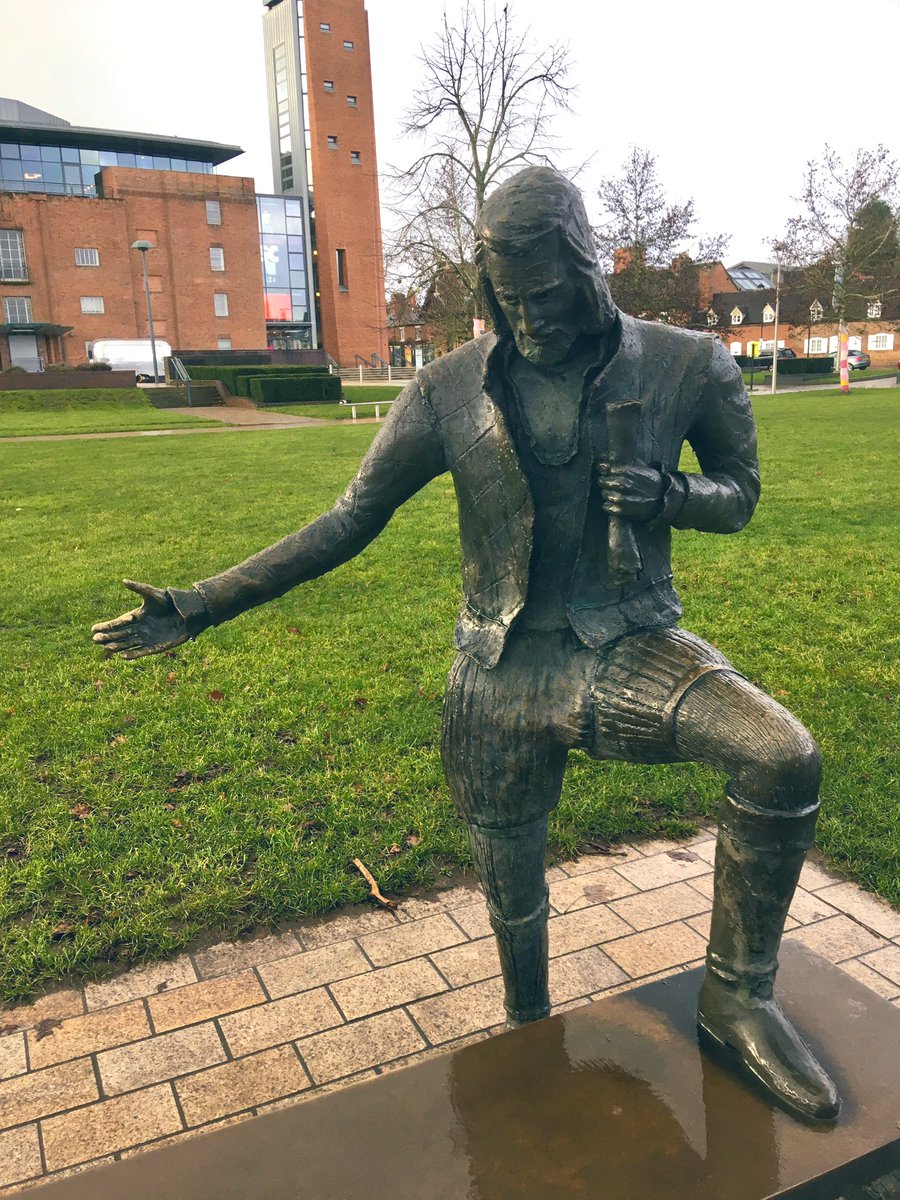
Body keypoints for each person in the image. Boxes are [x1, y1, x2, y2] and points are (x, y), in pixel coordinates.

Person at [92, 167, 838, 1120]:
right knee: (511, 893)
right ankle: (530, 1036)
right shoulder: (447, 389)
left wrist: (672, 497)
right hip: (495, 672)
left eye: (549, 296)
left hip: (625, 647)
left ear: (587, 269)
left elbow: (740, 492)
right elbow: (347, 520)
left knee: (781, 754)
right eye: (509, 300)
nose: (529, 320)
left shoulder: (687, 362)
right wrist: (200, 603)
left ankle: (738, 996)